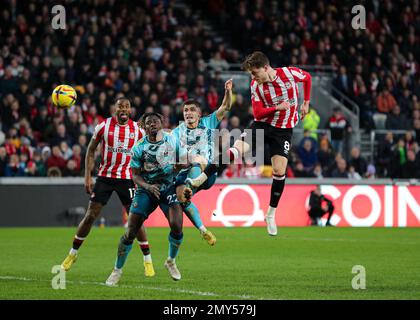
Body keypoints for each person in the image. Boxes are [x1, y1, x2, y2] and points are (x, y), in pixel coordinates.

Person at [185, 51, 312, 236]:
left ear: (266, 68)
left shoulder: (289, 74)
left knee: (279, 171)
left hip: (283, 131)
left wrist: (306, 102)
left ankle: (270, 214)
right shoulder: (256, 86)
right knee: (235, 150)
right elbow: (258, 113)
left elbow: (307, 78)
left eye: (255, 73)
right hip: (261, 125)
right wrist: (277, 107)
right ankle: (200, 179)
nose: (253, 77)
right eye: (251, 74)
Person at [60, 98, 155, 277]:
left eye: (126, 106)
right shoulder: (103, 127)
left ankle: (147, 260)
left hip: (127, 179)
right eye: (120, 106)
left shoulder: (138, 131)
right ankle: (72, 254)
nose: (123, 109)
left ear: (130, 110)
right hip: (105, 177)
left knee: (136, 220)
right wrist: (87, 177)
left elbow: (148, 154)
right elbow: (90, 150)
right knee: (90, 216)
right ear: (115, 109)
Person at [105, 112, 186, 285]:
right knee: (131, 231)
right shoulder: (139, 147)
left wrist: (180, 165)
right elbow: (135, 175)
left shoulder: (172, 140)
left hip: (168, 187)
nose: (153, 125)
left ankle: (171, 261)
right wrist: (148, 187)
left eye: (156, 121)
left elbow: (183, 161)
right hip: (146, 189)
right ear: (144, 127)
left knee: (177, 225)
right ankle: (117, 270)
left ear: (162, 123)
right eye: (149, 123)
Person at [173, 79, 233, 246]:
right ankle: (203, 230)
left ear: (199, 114)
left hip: (207, 174)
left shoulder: (208, 122)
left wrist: (228, 92)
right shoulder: (177, 132)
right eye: (186, 110)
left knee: (197, 161)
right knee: (182, 199)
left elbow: (226, 107)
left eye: (192, 110)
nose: (188, 113)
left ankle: (188, 188)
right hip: (188, 173)